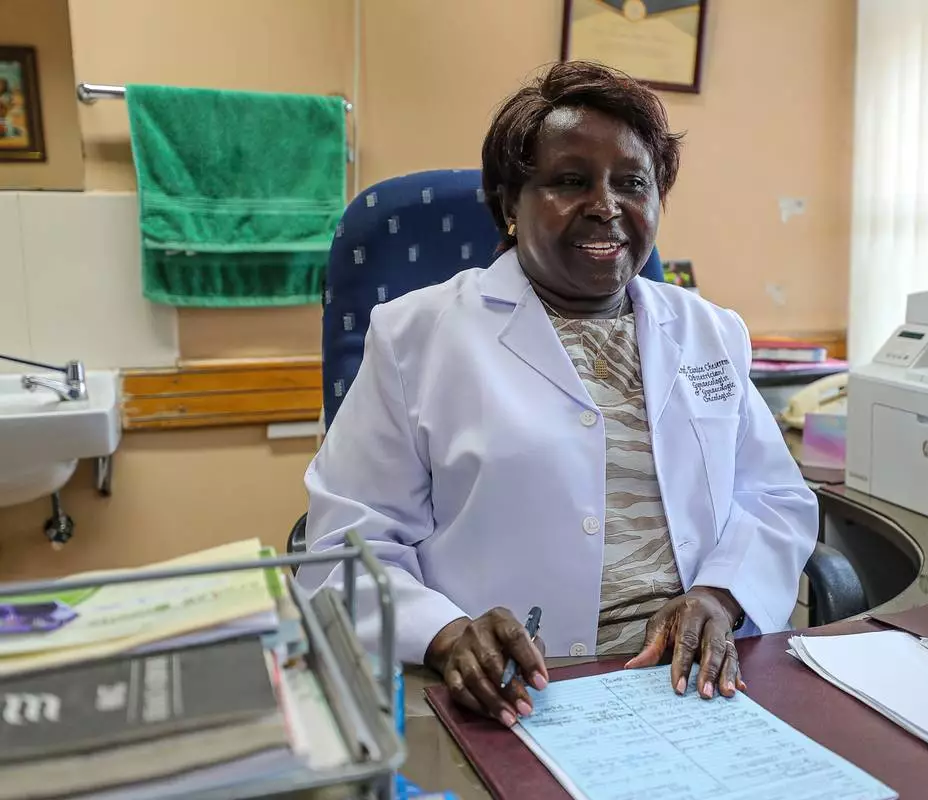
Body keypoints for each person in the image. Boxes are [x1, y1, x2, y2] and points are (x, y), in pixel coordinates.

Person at [299, 61, 818, 728]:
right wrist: (446, 634)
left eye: (632, 183)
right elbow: (343, 550)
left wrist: (721, 595)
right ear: (509, 205)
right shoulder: (416, 336)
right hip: (512, 696)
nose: (606, 205)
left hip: (697, 685)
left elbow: (774, 498)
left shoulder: (710, 330)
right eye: (571, 181)